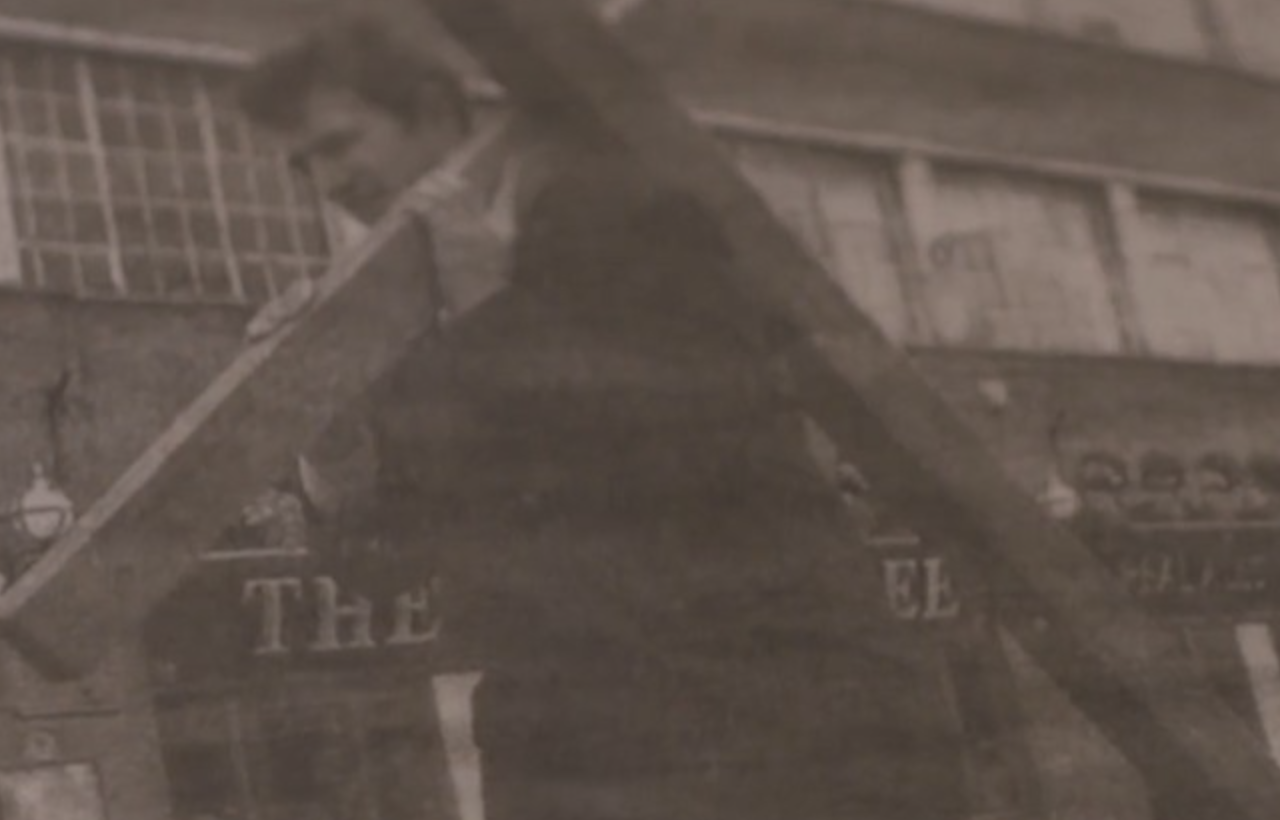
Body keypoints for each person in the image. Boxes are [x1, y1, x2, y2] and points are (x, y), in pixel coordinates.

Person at [239, 16, 968, 820]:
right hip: (575, 755)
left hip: (782, 724)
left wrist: (487, 303)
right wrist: (330, 431)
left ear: (434, 112)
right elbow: (387, 570)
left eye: (341, 143)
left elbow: (688, 437)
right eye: (300, 164)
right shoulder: (396, 316)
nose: (325, 181)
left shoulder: (623, 200)